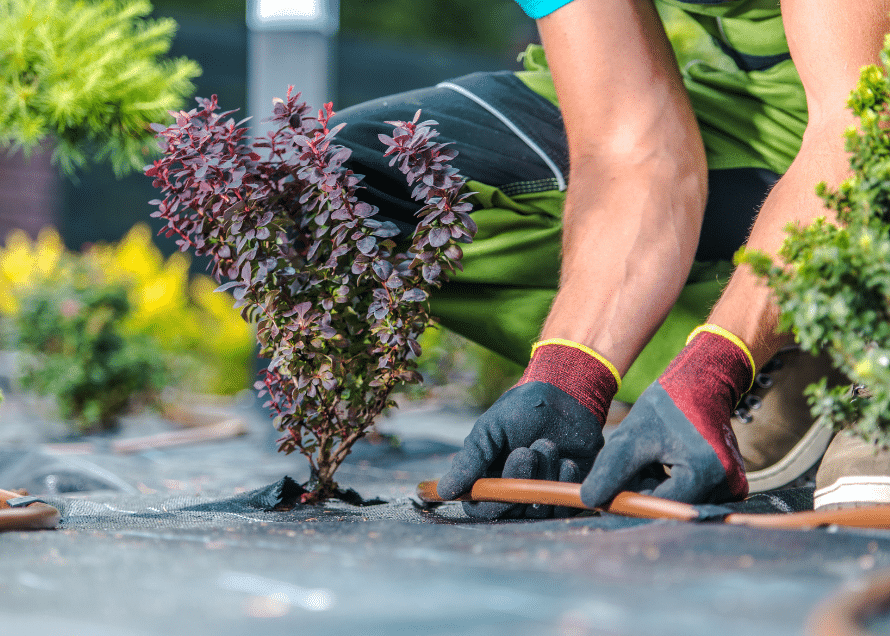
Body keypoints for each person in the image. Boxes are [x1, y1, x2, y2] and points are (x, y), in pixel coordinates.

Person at [335, 0, 890, 518]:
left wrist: (715, 368)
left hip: (860, 101)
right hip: (751, 121)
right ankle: (797, 344)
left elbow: (861, 120)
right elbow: (630, 149)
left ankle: (857, 342)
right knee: (330, 185)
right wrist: (570, 377)